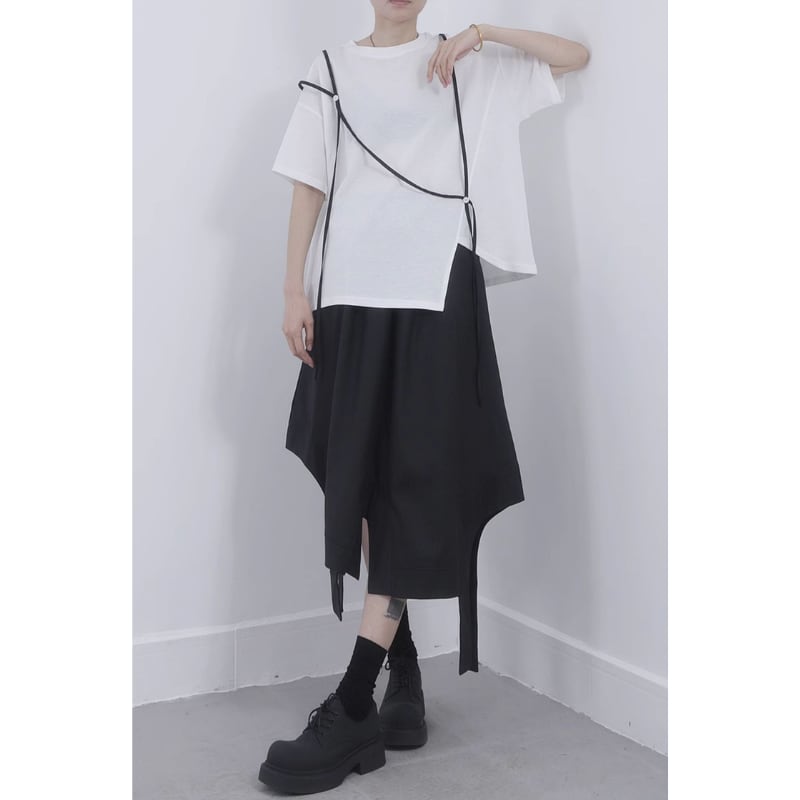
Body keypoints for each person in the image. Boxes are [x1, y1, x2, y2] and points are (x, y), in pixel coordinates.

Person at [259, 1, 590, 793]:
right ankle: (402, 670)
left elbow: (572, 57)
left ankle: (354, 699)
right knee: (366, 481)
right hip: (349, 296)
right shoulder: (333, 70)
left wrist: (486, 33)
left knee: (411, 482)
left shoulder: (463, 62)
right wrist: (293, 288)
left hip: (437, 293)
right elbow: (309, 181)